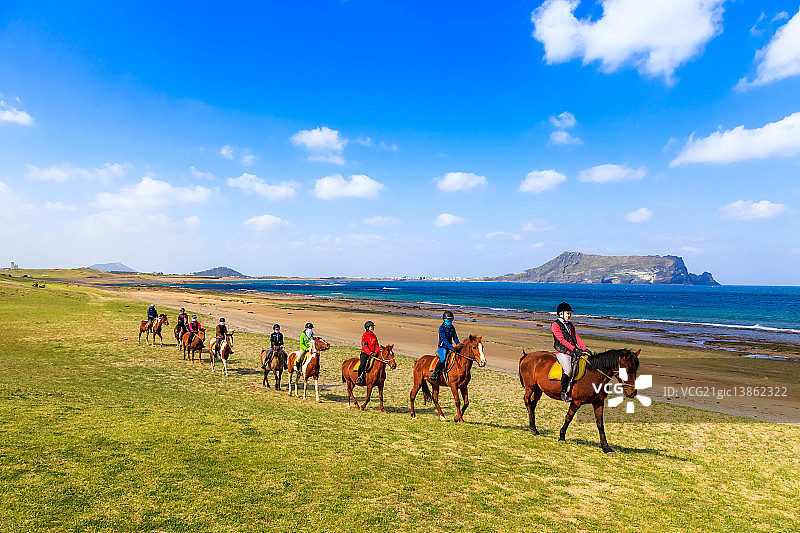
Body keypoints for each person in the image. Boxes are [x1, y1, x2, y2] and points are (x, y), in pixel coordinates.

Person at [551, 302, 592, 402]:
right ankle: (563, 392)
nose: (569, 315)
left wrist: (584, 349)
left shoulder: (570, 325)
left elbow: (576, 338)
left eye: (570, 313)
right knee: (568, 370)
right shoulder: (555, 325)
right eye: (567, 313)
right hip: (562, 351)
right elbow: (562, 340)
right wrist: (573, 349)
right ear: (561, 314)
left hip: (573, 350)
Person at [430, 310, 459, 382]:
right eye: (448, 319)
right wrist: (451, 347)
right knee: (443, 359)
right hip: (443, 347)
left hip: (450, 347)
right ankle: (435, 373)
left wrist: (459, 345)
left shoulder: (452, 328)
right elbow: (444, 339)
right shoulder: (441, 328)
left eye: (451, 319)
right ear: (444, 319)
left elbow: (455, 338)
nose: (450, 321)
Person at [356, 320, 379, 385]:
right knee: (362, 364)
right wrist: (370, 353)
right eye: (371, 327)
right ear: (367, 328)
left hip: (373, 354)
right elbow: (364, 346)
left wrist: (376, 352)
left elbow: (377, 345)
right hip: (365, 353)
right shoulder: (364, 336)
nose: (372, 328)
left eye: (373, 326)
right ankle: (359, 377)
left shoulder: (374, 336)